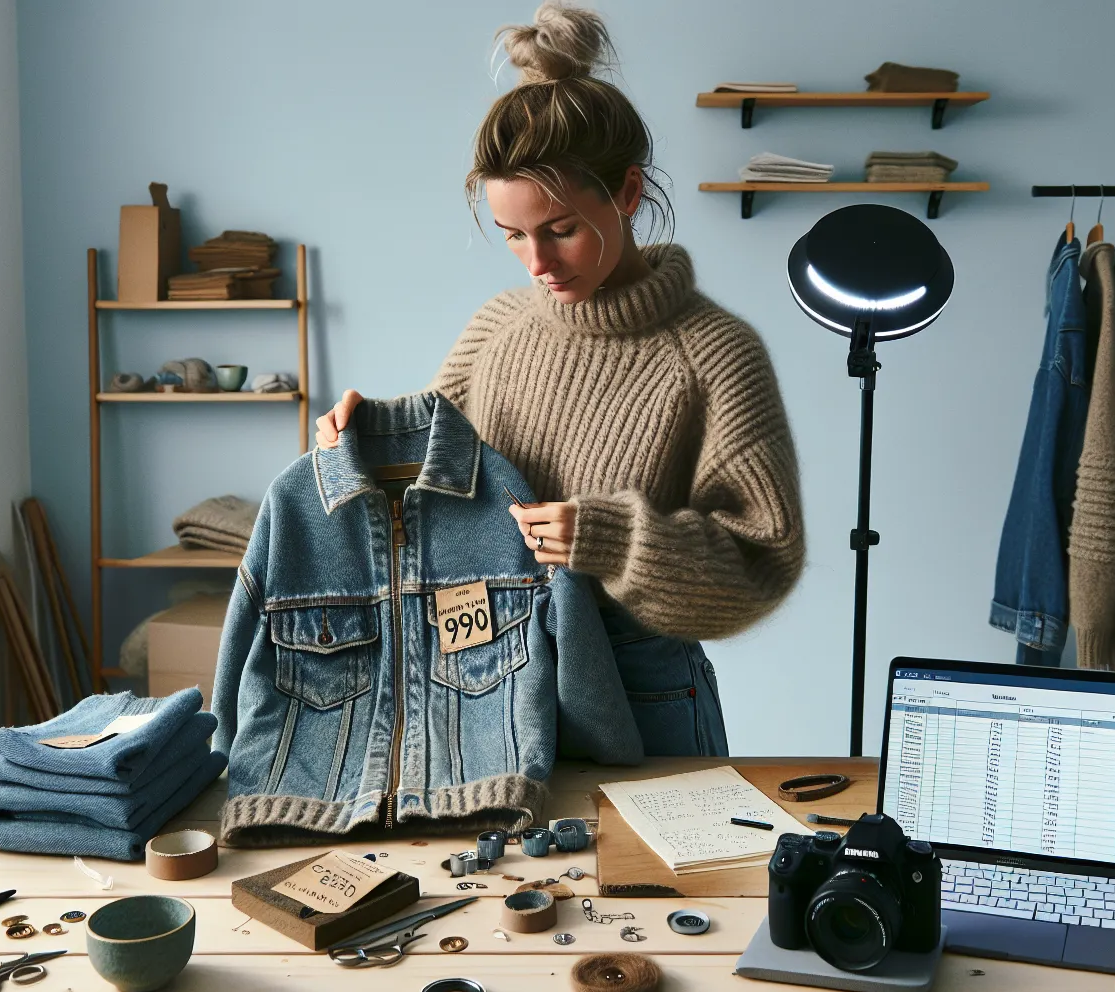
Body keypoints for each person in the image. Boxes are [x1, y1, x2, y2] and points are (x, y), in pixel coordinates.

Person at [315, 1, 804, 755]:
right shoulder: (497, 329)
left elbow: (762, 559)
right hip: (492, 677)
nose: (537, 263)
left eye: (562, 229)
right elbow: (437, 484)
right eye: (513, 237)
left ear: (629, 194)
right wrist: (365, 434)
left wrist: (611, 540)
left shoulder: (714, 354)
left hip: (644, 692)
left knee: (654, 879)